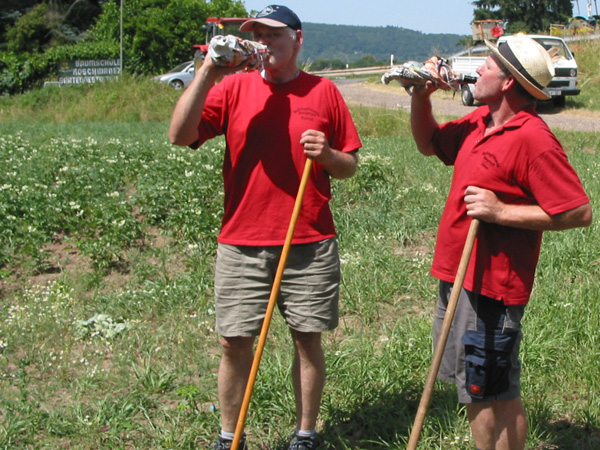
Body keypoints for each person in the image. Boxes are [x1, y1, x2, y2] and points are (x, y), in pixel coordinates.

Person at [169, 5, 361, 450]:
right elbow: (180, 135)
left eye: (274, 34)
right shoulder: (233, 87)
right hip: (242, 240)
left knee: (306, 337)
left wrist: (328, 156)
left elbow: (349, 163)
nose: (264, 42)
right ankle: (227, 436)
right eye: (257, 34)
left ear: (298, 39)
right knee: (233, 342)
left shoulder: (324, 91)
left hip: (308, 238)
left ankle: (305, 434)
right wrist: (207, 73)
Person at [409, 33, 592, 450]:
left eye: (488, 65)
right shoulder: (480, 122)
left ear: (508, 81)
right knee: (478, 386)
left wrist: (500, 211)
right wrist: (421, 98)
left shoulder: (533, 138)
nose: (479, 70)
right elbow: (428, 144)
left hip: (492, 287)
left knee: (489, 390)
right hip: (458, 276)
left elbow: (579, 212)